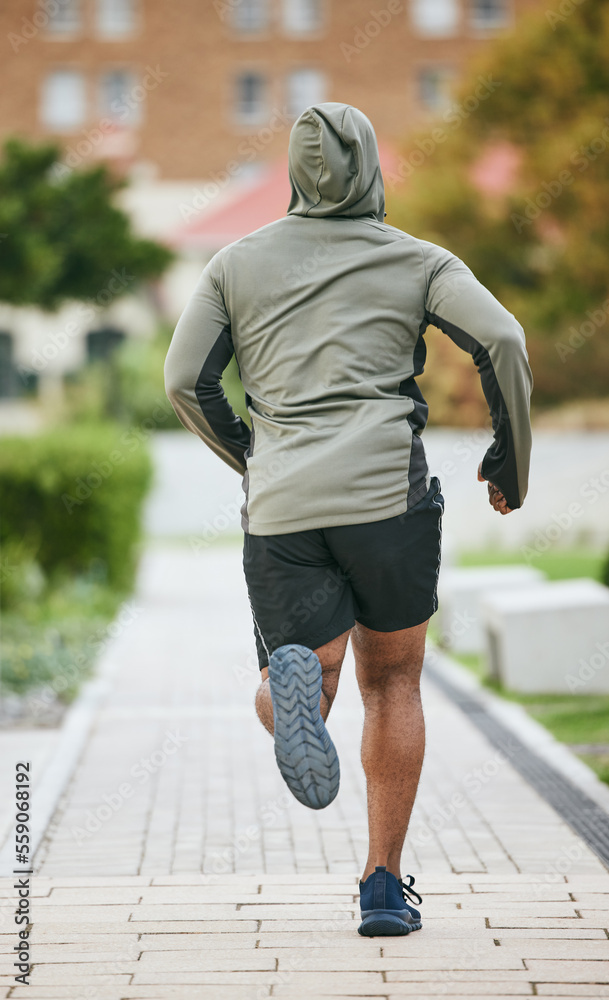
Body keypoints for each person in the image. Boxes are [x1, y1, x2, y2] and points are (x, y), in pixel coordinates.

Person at [164, 102, 533, 937]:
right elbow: (502, 342)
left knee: (312, 676)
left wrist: (252, 456)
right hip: (385, 499)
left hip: (284, 505)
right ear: (371, 169)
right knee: (391, 681)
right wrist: (510, 458)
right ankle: (380, 884)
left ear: (294, 174)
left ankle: (278, 698)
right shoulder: (417, 260)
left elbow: (185, 380)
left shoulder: (234, 263)